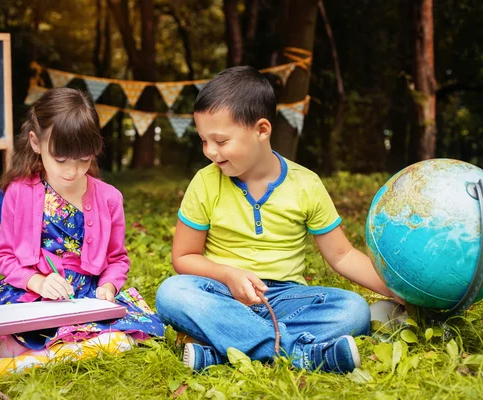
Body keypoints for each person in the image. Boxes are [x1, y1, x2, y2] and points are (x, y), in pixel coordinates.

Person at [155, 66, 400, 373]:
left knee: (353, 311)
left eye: (220, 140)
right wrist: (229, 275)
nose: (210, 152)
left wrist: (397, 289)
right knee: (172, 293)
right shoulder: (205, 183)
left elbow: (343, 254)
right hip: (222, 294)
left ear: (261, 130)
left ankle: (225, 350)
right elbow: (184, 256)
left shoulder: (306, 184)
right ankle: (298, 354)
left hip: (284, 300)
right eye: (204, 141)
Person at [0, 88, 164, 357]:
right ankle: (64, 349)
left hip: (87, 297)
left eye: (84, 159)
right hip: (31, 292)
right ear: (36, 143)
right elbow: (4, 257)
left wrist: (107, 287)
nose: (72, 171)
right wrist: (36, 281)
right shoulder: (19, 192)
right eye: (61, 160)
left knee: (126, 331)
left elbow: (117, 259)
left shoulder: (109, 198)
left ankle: (47, 353)